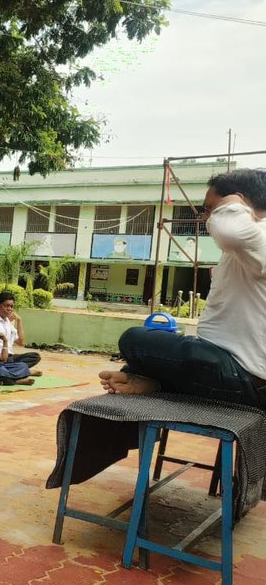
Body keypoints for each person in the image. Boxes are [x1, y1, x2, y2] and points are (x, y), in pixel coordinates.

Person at [100, 169, 266, 409]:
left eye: (211, 208)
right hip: (231, 369)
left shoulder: (259, 235)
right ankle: (154, 384)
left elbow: (229, 230)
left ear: (238, 202)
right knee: (151, 355)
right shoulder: (250, 246)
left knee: (134, 339)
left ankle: (151, 383)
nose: (207, 218)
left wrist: (232, 201)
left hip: (243, 376)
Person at [0, 291, 41, 368]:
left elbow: (21, 342)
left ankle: (15, 368)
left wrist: (19, 320)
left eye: (11, 306)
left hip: (10, 357)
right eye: (6, 306)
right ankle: (18, 369)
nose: (9, 309)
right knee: (5, 360)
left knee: (35, 356)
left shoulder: (7, 322)